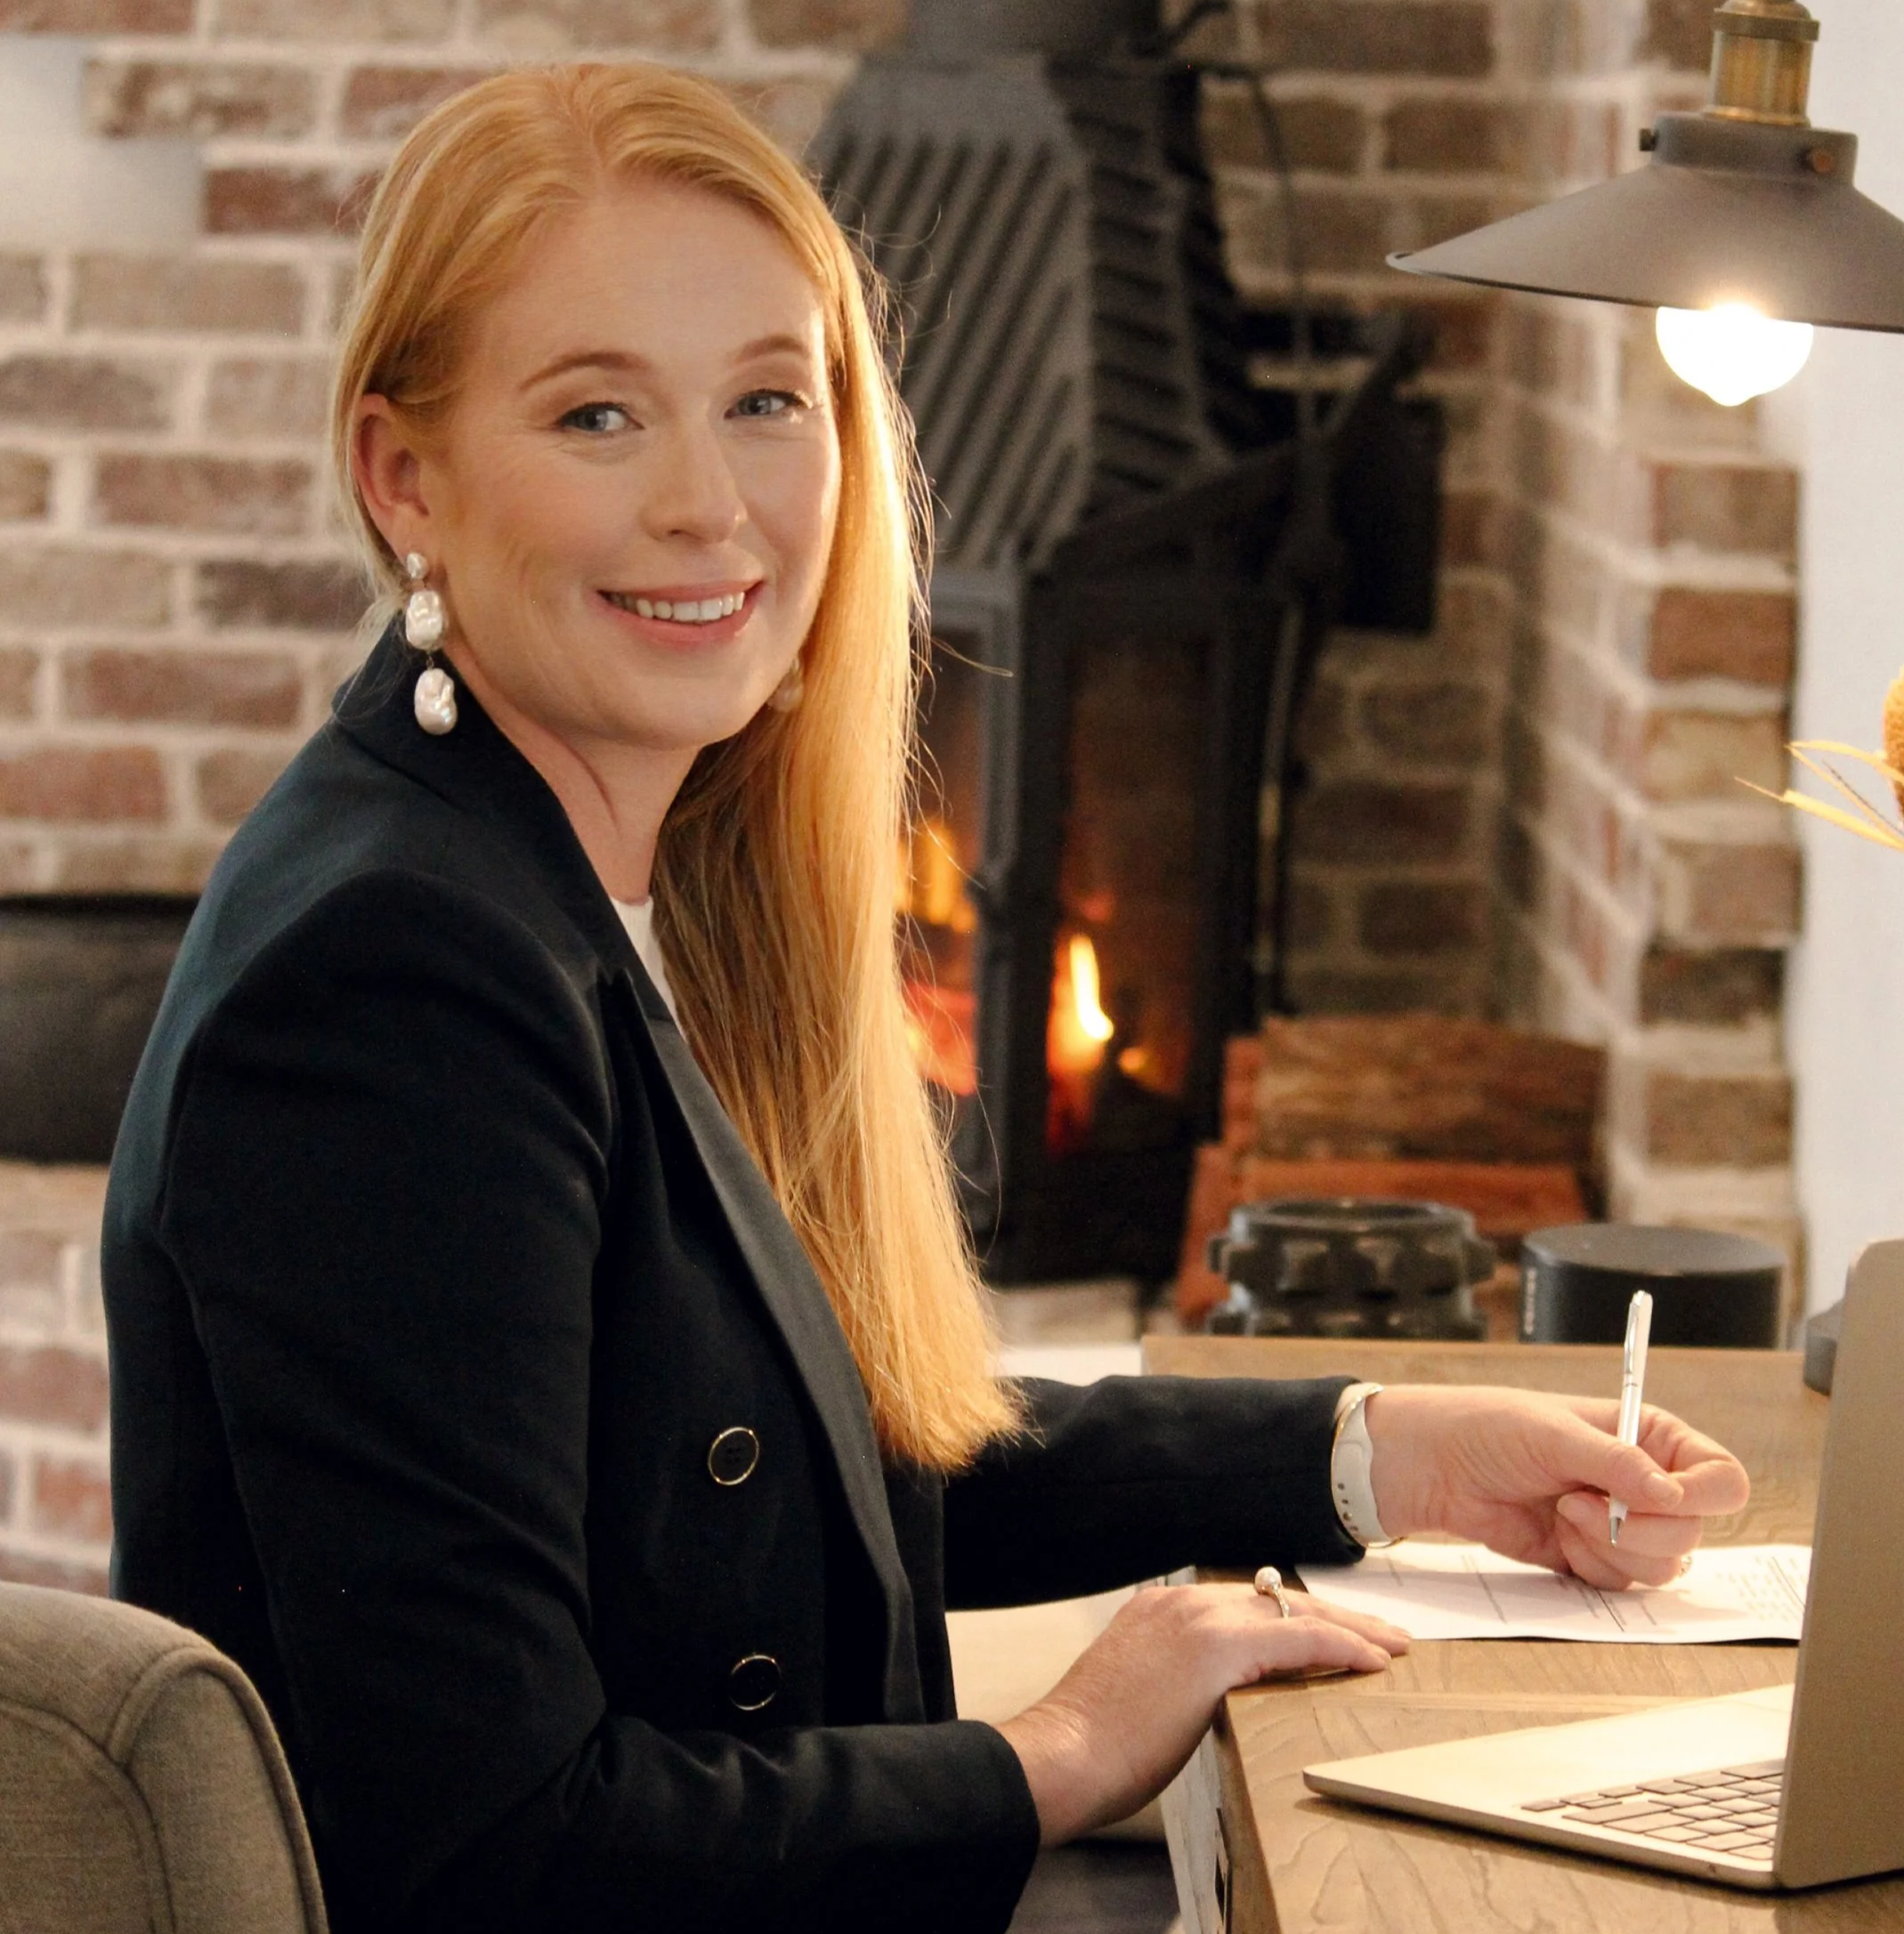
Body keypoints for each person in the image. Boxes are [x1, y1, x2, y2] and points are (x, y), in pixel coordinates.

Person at [101, 63, 1750, 1934]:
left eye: (764, 401)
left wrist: (1387, 1450)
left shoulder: (577, 869)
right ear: (407, 477)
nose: (708, 504)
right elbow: (497, 1847)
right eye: (595, 415)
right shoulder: (392, 982)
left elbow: (783, 1465)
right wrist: (1059, 1749)